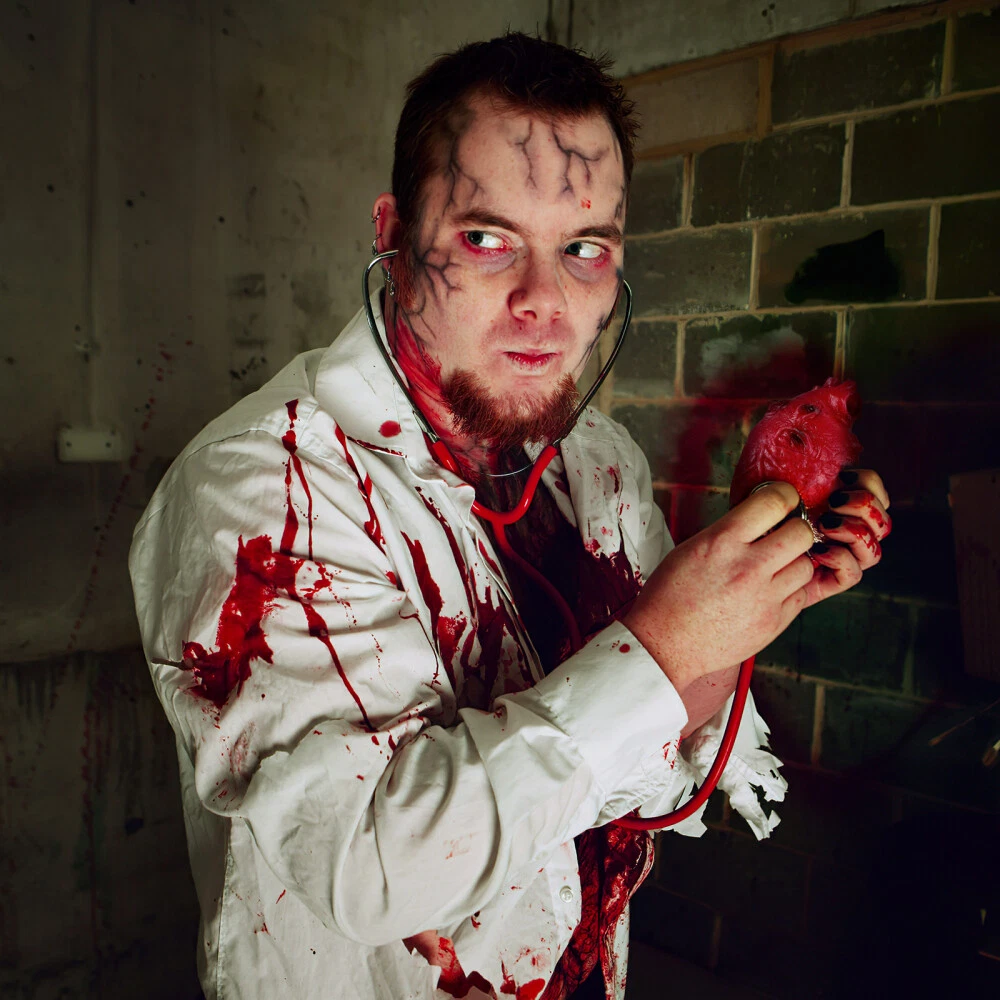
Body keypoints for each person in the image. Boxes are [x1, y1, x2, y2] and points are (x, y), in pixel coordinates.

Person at [129, 32, 890, 1000]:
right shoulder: (259, 490)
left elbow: (647, 753)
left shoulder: (599, 458)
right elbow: (368, 866)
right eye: (487, 239)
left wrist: (752, 584)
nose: (544, 302)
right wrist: (665, 645)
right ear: (392, 236)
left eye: (584, 249)